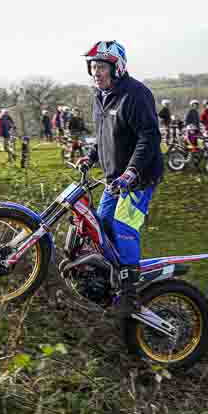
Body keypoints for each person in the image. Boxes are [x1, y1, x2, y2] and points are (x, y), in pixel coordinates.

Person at [76, 40, 163, 318]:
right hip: (115, 178)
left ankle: (130, 293)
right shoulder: (100, 96)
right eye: (92, 67)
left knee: (123, 226)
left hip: (139, 178)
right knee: (102, 226)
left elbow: (149, 137)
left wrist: (132, 171)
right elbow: (103, 135)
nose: (96, 72)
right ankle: (109, 280)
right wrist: (90, 156)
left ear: (117, 67)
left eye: (101, 66)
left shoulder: (136, 95)